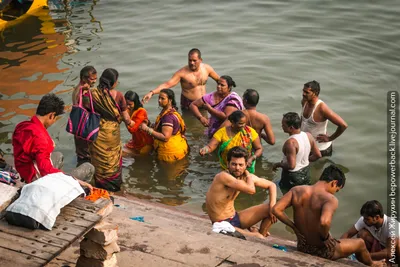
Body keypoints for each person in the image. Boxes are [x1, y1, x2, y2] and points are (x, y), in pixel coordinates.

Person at [272, 165, 383, 266]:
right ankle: (373, 264)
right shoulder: (330, 199)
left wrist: (294, 227)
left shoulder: (296, 190)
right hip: (323, 251)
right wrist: (325, 238)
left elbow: (276, 209)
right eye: (337, 190)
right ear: (334, 183)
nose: (335, 192)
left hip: (303, 247)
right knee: (360, 243)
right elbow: (324, 222)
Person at [12, 93, 94, 184]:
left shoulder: (22, 126)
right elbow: (45, 170)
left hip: (23, 170)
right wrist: (70, 179)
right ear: (51, 115)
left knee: (58, 155)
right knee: (89, 167)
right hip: (35, 178)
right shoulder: (40, 138)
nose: (54, 121)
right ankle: (73, 189)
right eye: (55, 118)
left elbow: (30, 148)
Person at [206, 146, 277, 239]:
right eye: (234, 164)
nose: (237, 168)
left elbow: (272, 185)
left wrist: (272, 207)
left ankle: (262, 234)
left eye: (241, 165)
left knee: (275, 209)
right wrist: (248, 174)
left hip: (235, 217)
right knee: (257, 237)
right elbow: (251, 190)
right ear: (228, 164)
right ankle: (258, 236)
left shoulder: (245, 177)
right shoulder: (223, 177)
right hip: (222, 224)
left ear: (246, 164)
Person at [89, 68, 134, 191]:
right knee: (112, 160)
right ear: (113, 83)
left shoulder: (92, 93)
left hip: (97, 132)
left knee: (99, 160)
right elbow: (127, 119)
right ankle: (113, 187)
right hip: (111, 135)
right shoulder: (118, 95)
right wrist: (133, 122)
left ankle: (99, 186)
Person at [142, 48, 220, 109]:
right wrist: (152, 92)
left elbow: (219, 80)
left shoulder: (207, 69)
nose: (192, 63)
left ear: (200, 60)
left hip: (203, 102)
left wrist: (221, 96)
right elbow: (167, 84)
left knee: (204, 125)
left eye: (194, 60)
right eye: (190, 60)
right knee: (191, 126)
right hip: (189, 104)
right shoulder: (182, 73)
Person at [273, 112, 321, 191]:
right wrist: (304, 160)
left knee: (288, 197)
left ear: (291, 128)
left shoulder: (291, 143)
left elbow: (291, 166)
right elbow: (318, 155)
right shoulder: (308, 135)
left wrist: (278, 164)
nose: (282, 126)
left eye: (283, 125)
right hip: (306, 173)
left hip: (293, 177)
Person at [341, 200, 399, 265]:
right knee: (362, 234)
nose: (364, 221)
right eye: (364, 218)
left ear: (376, 217)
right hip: (382, 246)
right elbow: (348, 234)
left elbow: (389, 252)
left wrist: (365, 256)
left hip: (394, 253)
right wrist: (339, 248)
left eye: (367, 219)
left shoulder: (392, 225)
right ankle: (369, 262)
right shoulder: (365, 220)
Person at [140, 89, 189, 163]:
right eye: (159, 98)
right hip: (178, 148)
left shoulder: (168, 117)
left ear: (170, 100)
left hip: (171, 154)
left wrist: (147, 129)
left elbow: (165, 137)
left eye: (162, 98)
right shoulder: (171, 111)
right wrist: (150, 124)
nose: (159, 100)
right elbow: (162, 127)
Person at [301, 80, 348, 157]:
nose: (303, 94)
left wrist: (330, 138)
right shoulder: (304, 101)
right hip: (307, 147)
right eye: (303, 91)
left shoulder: (321, 108)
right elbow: (303, 121)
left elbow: (343, 125)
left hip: (321, 150)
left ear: (315, 93)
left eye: (307, 92)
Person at [71, 66, 97, 166]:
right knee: (87, 153)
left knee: (81, 152)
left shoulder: (77, 88)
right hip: (84, 125)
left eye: (95, 79)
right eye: (92, 79)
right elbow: (89, 106)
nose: (94, 81)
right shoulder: (83, 91)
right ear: (83, 78)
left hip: (78, 123)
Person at [123, 90, 153, 156]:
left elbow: (132, 130)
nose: (128, 106)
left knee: (141, 159)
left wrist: (125, 119)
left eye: (130, 104)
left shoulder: (141, 112)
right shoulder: (128, 110)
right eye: (126, 104)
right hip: (135, 140)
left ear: (135, 103)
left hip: (144, 142)